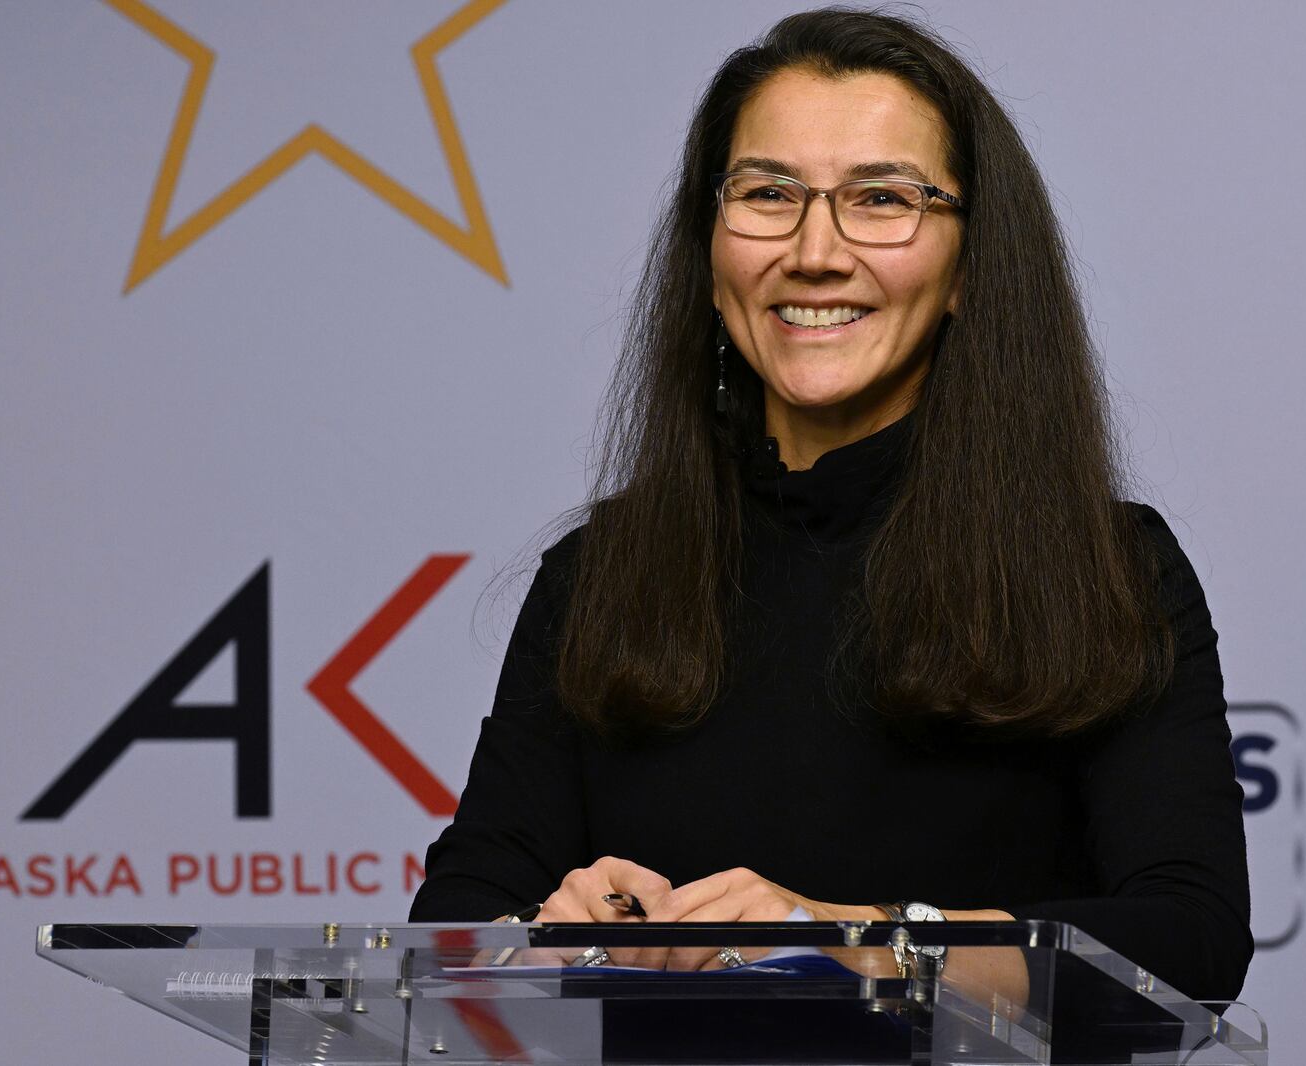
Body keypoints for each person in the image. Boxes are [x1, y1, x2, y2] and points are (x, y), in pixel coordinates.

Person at [410, 7, 1252, 1003]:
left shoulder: (1107, 569)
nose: (814, 251)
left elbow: (1187, 938)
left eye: (881, 198)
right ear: (710, 250)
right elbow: (449, 933)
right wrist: (553, 927)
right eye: (768, 193)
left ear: (968, 267)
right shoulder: (599, 574)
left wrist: (857, 941)